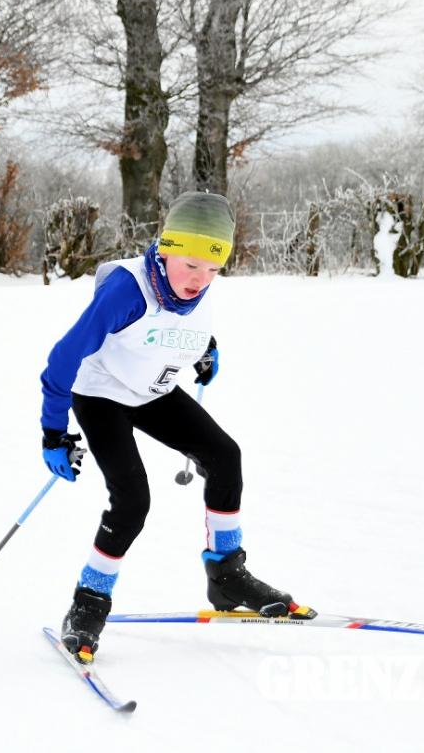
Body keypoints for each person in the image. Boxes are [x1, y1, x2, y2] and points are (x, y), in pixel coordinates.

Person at [39, 191, 311, 663]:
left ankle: (226, 576)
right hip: (101, 394)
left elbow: (187, 323)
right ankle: (87, 603)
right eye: (190, 267)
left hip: (153, 391)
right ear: (165, 249)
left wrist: (206, 348)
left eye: (212, 269)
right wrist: (53, 432)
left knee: (225, 457)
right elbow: (64, 359)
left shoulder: (197, 285)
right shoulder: (128, 289)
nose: (200, 279)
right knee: (132, 501)